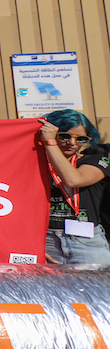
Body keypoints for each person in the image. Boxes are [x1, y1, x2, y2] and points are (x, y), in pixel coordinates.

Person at [40, 109, 110, 266]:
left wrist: (50, 144)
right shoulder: (35, 165)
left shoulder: (97, 161)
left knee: (95, 290)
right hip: (47, 240)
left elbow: (73, 179)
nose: (72, 143)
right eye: (64, 136)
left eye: (81, 139)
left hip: (87, 242)